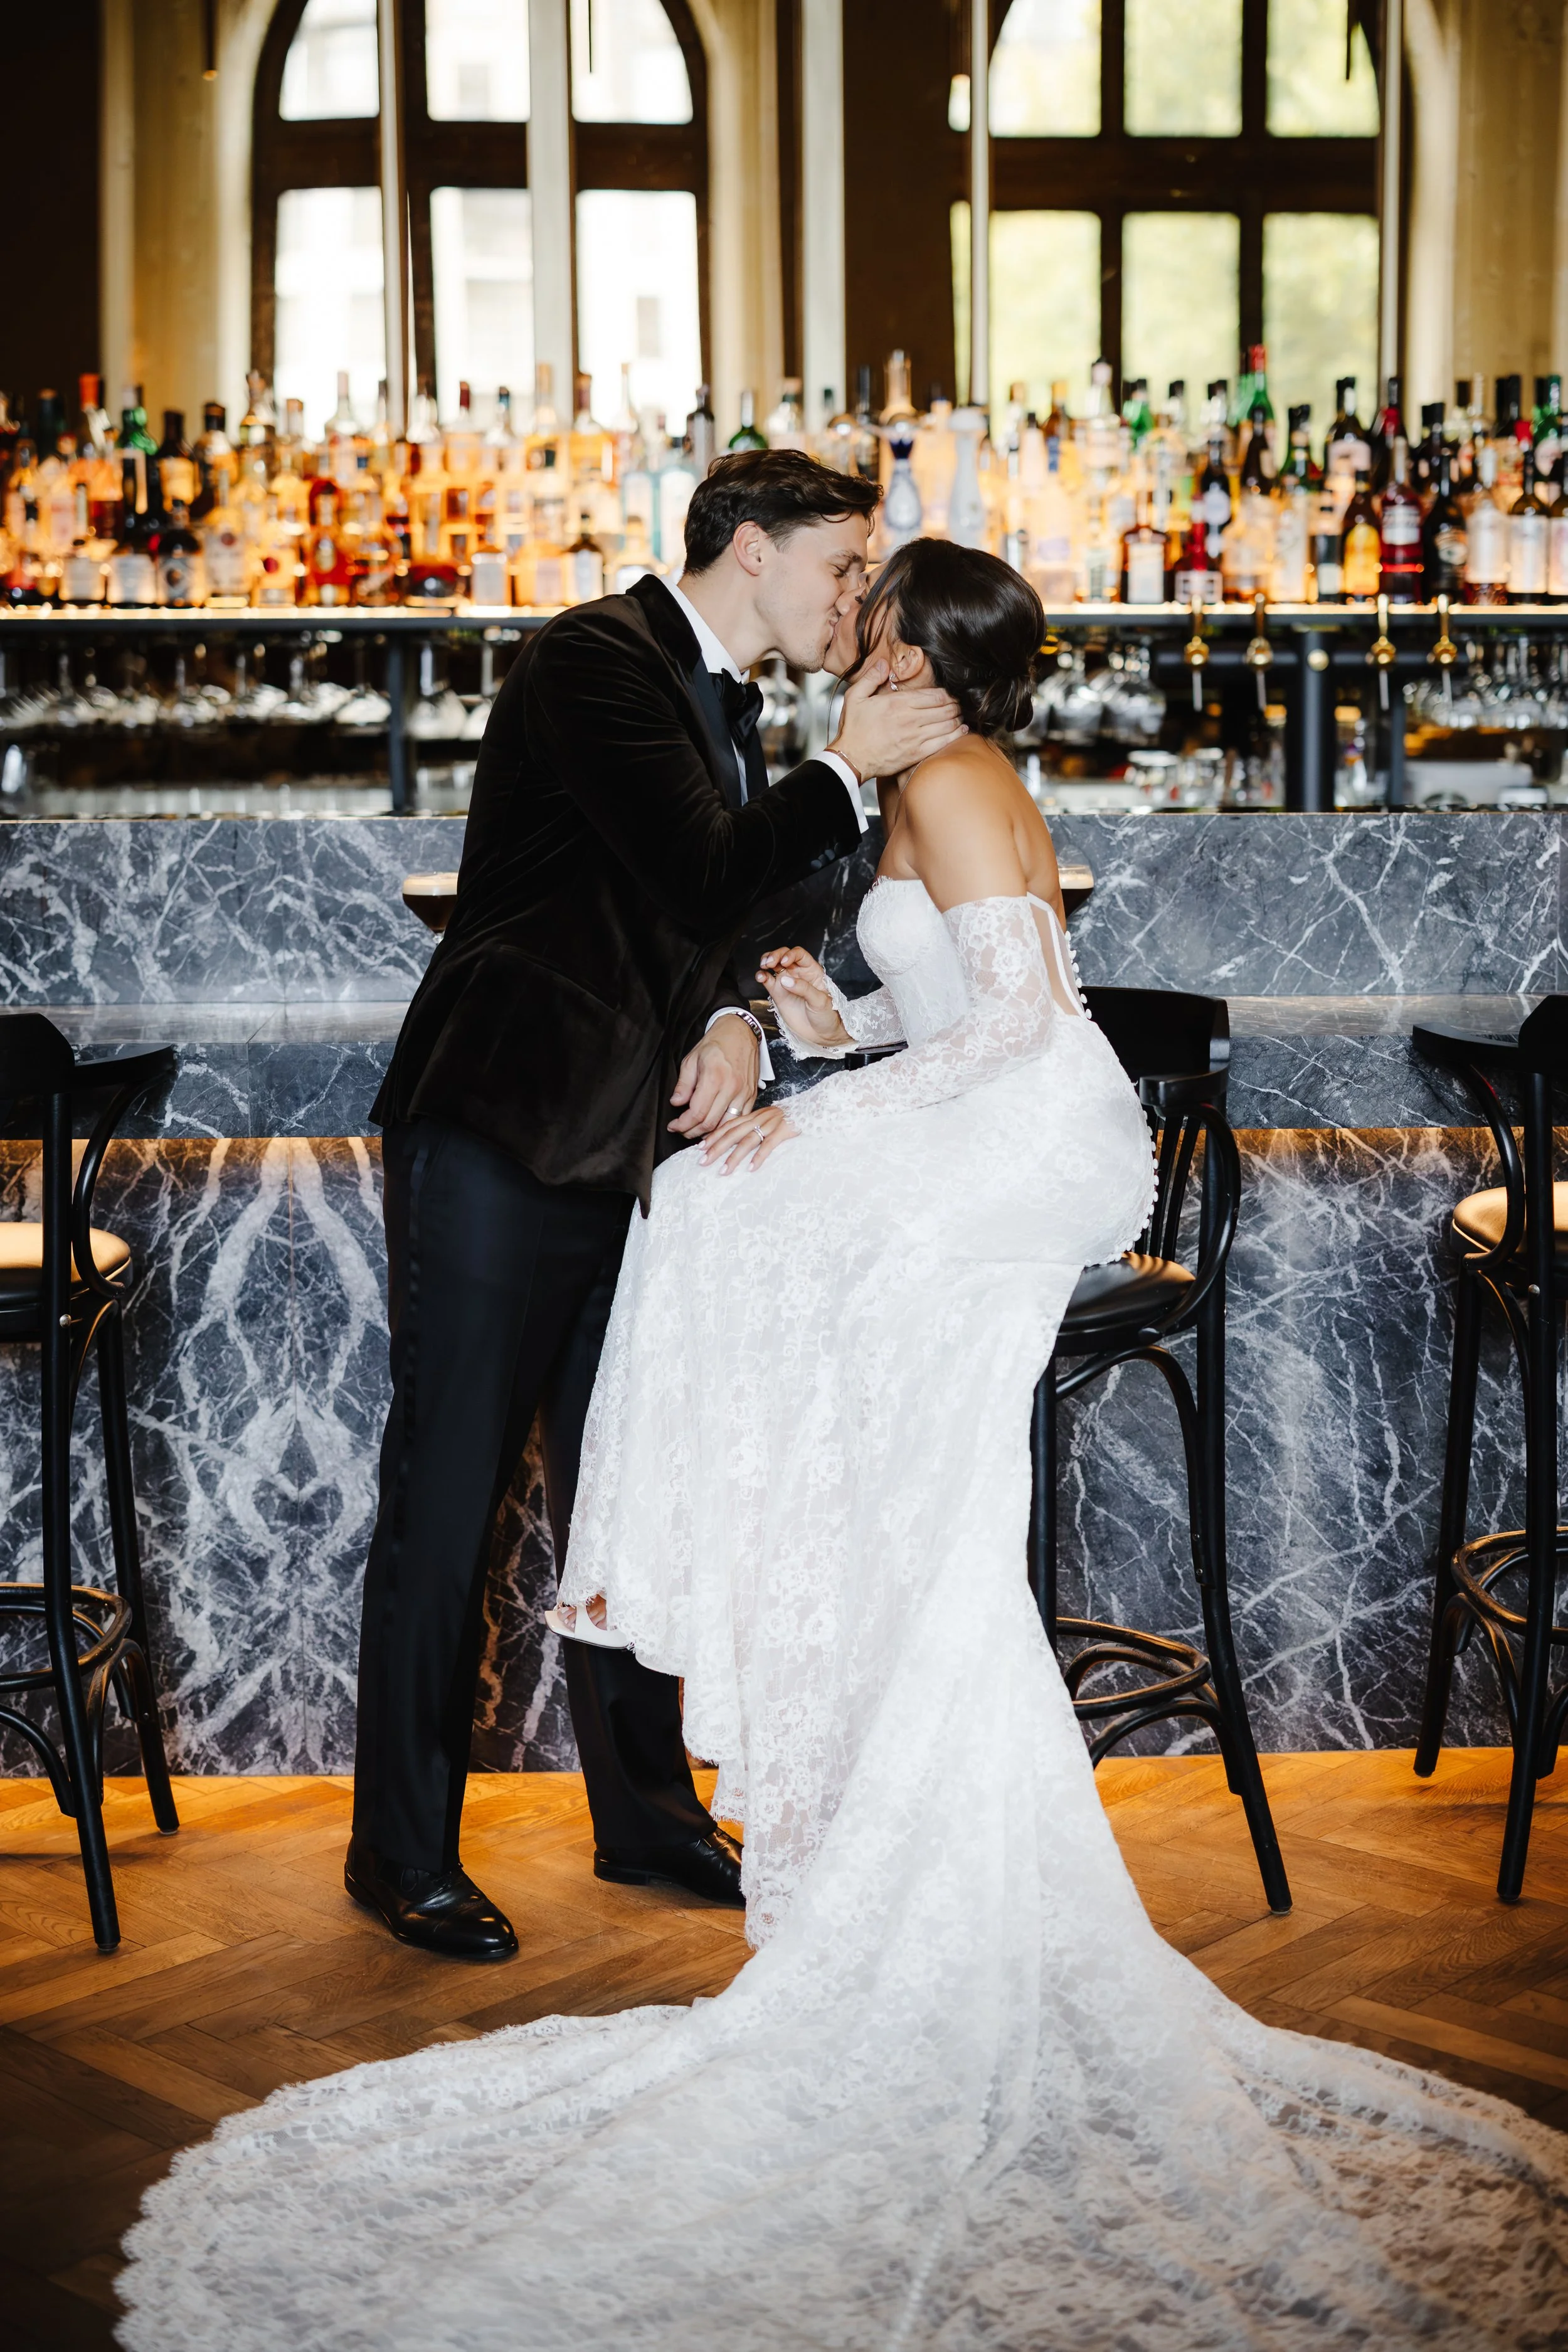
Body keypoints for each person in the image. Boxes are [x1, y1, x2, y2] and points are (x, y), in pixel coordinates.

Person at [119, 542, 1568, 2349]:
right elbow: (936, 1001)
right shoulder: (869, 774)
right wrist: (820, 1021)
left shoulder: (946, 780)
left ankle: (762, 1602)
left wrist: (829, 1101)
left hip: (1041, 1143)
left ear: (926, 662)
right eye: (841, 608)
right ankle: (780, 1613)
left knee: (741, 1213)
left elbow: (1030, 1034)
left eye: (871, 624)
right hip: (949, 1114)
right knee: (732, 1218)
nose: (845, 640)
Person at [342, 451, 963, 1960]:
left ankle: (646, 1819)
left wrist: (743, 1023)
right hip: (497, 1125)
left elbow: (735, 917)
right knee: (451, 1495)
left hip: (630, 1153)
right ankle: (399, 1853)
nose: (855, 596)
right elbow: (698, 863)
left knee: (617, 1485)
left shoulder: (731, 715)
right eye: (838, 565)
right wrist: (848, 768)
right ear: (749, 552)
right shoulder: (593, 660)